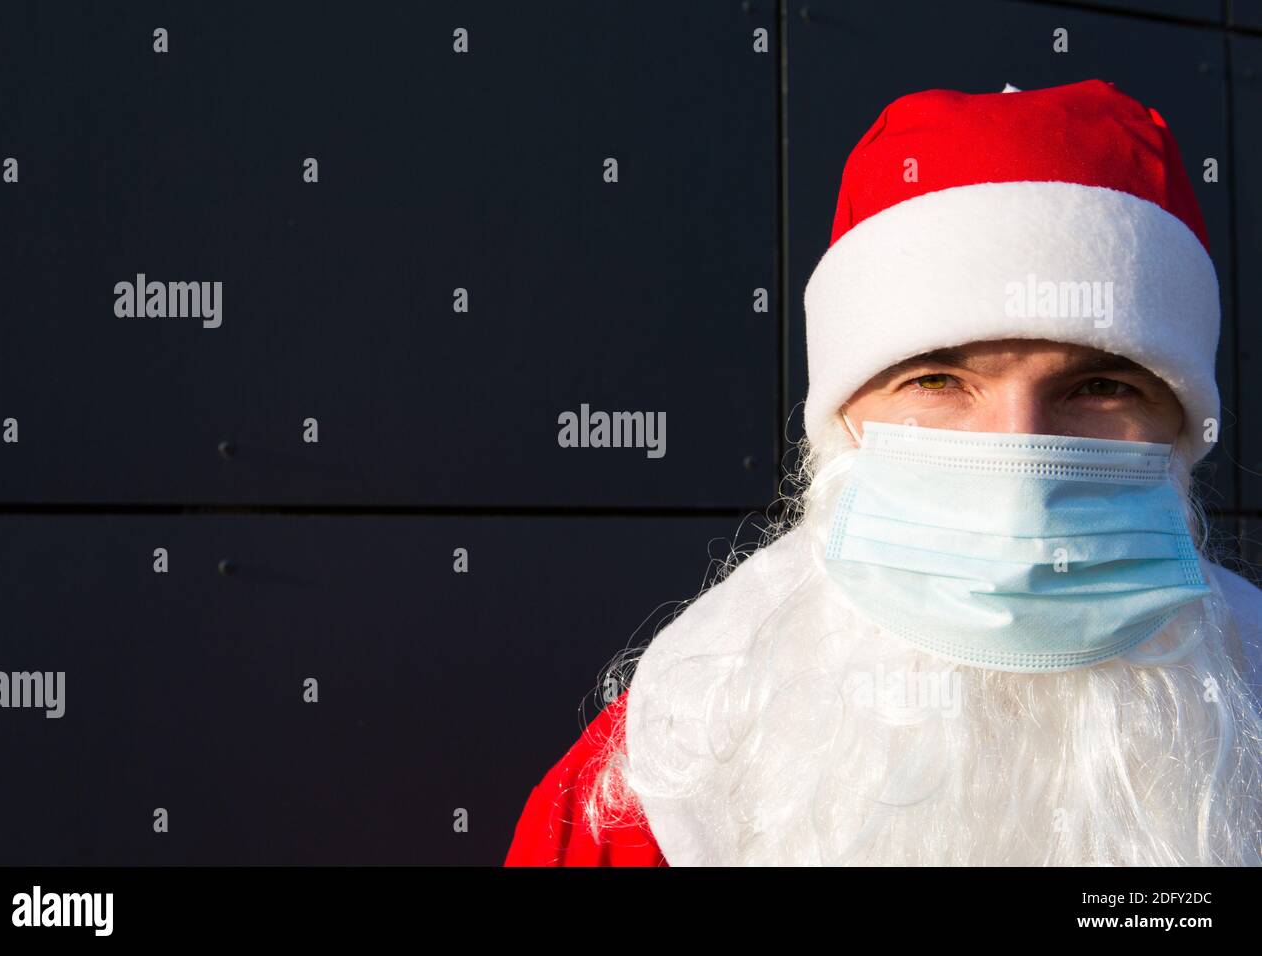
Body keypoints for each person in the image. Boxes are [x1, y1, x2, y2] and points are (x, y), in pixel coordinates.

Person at [504, 79, 1262, 867]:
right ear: (843, 421)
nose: (1019, 460)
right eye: (937, 381)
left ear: (1179, 425)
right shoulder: (661, 773)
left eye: (1101, 386)